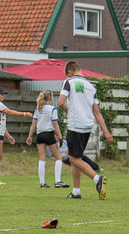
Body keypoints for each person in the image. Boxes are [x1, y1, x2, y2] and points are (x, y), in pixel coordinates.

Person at [58, 62, 113, 200]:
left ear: (70, 72)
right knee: (77, 157)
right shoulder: (91, 86)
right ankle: (76, 191)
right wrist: (106, 132)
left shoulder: (69, 82)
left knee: (73, 158)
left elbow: (60, 102)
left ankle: (97, 179)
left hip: (75, 125)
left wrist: (67, 111)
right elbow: (96, 111)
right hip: (88, 126)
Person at [0, 86, 32, 185]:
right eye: (1, 94)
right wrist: (25, 114)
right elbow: (8, 112)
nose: (3, 96)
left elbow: (1, 122)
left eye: (3, 94)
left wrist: (8, 136)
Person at [26, 90, 69, 188]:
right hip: (49, 134)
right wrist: (60, 137)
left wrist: (30, 136)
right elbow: (55, 124)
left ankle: (42, 183)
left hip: (40, 135)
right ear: (51, 98)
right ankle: (57, 181)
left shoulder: (38, 108)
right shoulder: (53, 109)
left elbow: (33, 123)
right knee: (58, 157)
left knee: (42, 158)